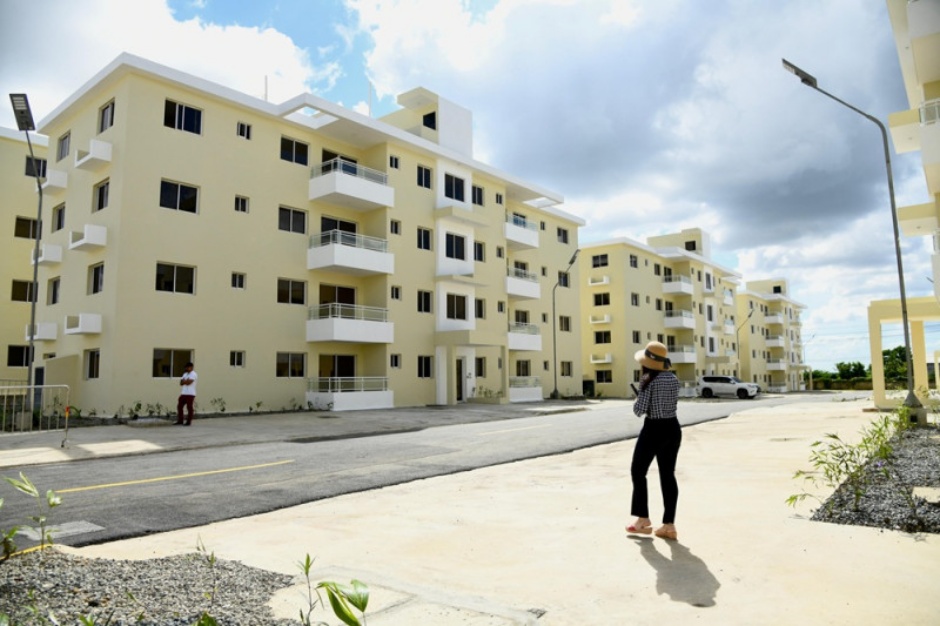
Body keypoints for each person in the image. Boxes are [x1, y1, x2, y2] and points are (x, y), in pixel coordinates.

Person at [626, 341, 682, 540]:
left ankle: (643, 519)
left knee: (638, 471)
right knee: (668, 475)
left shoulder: (648, 380)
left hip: (654, 429)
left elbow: (639, 410)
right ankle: (669, 525)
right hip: (673, 428)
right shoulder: (674, 379)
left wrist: (638, 398)